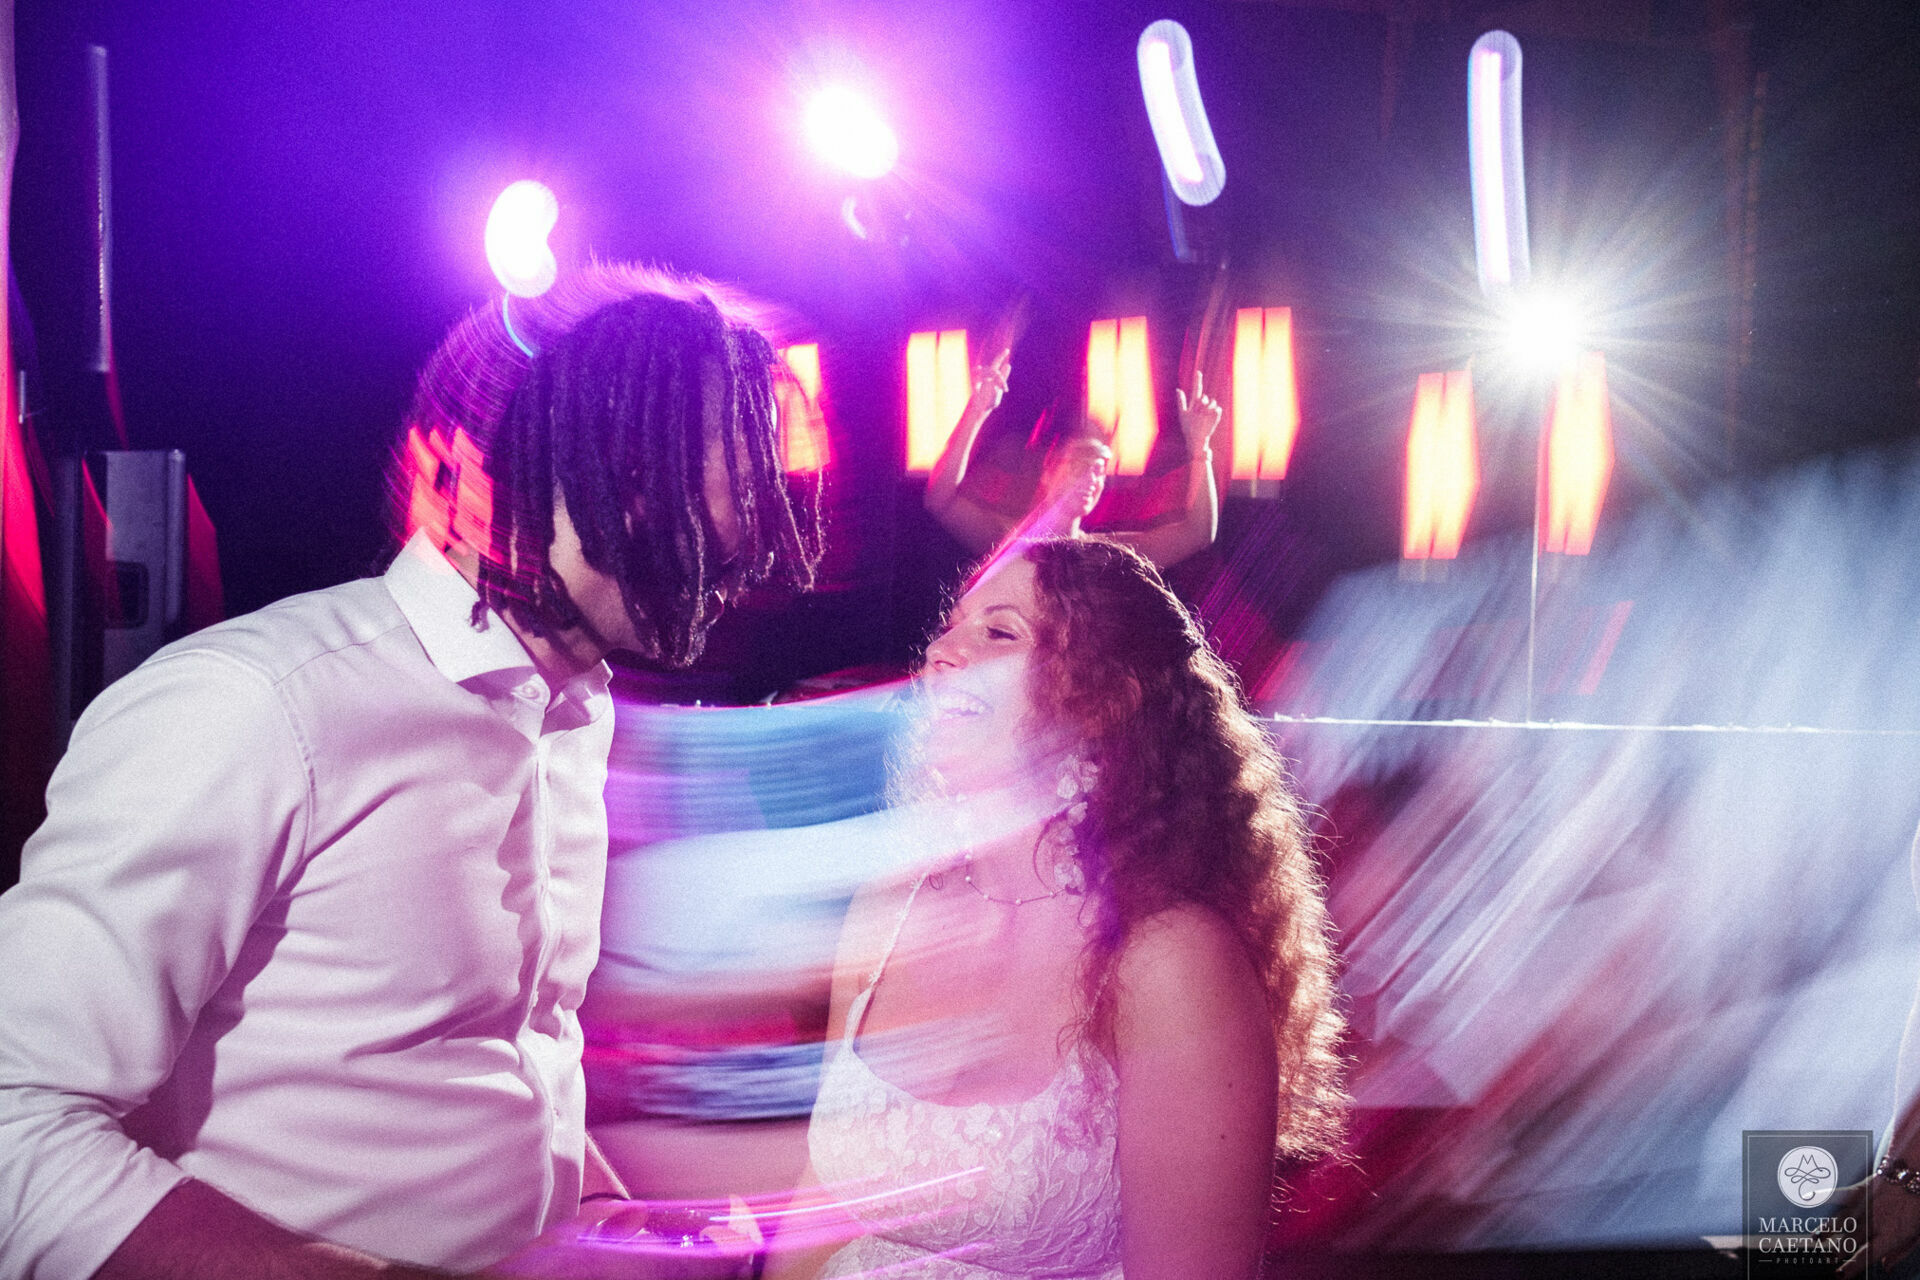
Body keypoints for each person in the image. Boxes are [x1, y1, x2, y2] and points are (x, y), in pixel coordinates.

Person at [0, 265, 820, 1280]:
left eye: (741, 483)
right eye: (664, 474)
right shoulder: (263, 702)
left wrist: (604, 1217)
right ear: (511, 468)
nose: (728, 534)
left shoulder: (576, 708)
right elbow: (16, 1123)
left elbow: (513, 1053)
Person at [767, 537, 1345, 1279]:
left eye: (998, 632)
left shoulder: (1167, 961)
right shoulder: (892, 907)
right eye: (953, 622)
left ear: (1104, 703)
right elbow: (821, 1209)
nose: (941, 649)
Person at [922, 351, 1223, 570]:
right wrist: (975, 413)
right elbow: (941, 499)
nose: (1092, 477)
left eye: (1099, 469)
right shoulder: (1011, 543)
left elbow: (1197, 533)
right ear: (1050, 468)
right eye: (1080, 462)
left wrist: (1199, 448)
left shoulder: (1106, 554)